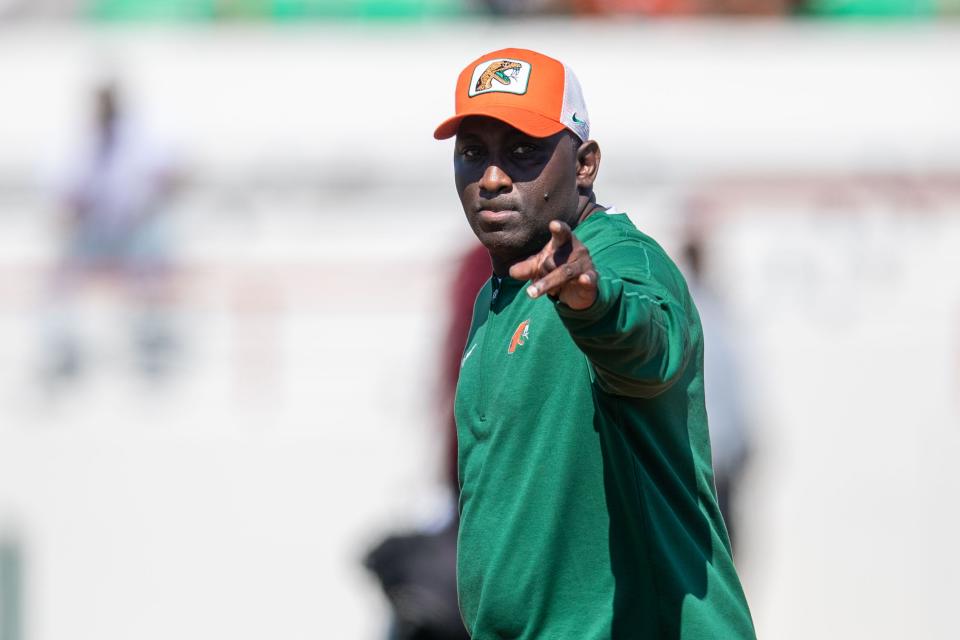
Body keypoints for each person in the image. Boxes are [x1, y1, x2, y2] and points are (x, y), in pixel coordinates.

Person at [433, 48, 756, 639]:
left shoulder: (620, 262)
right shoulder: (494, 295)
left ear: (585, 165)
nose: (494, 177)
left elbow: (646, 349)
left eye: (524, 150)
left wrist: (594, 303)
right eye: (473, 153)